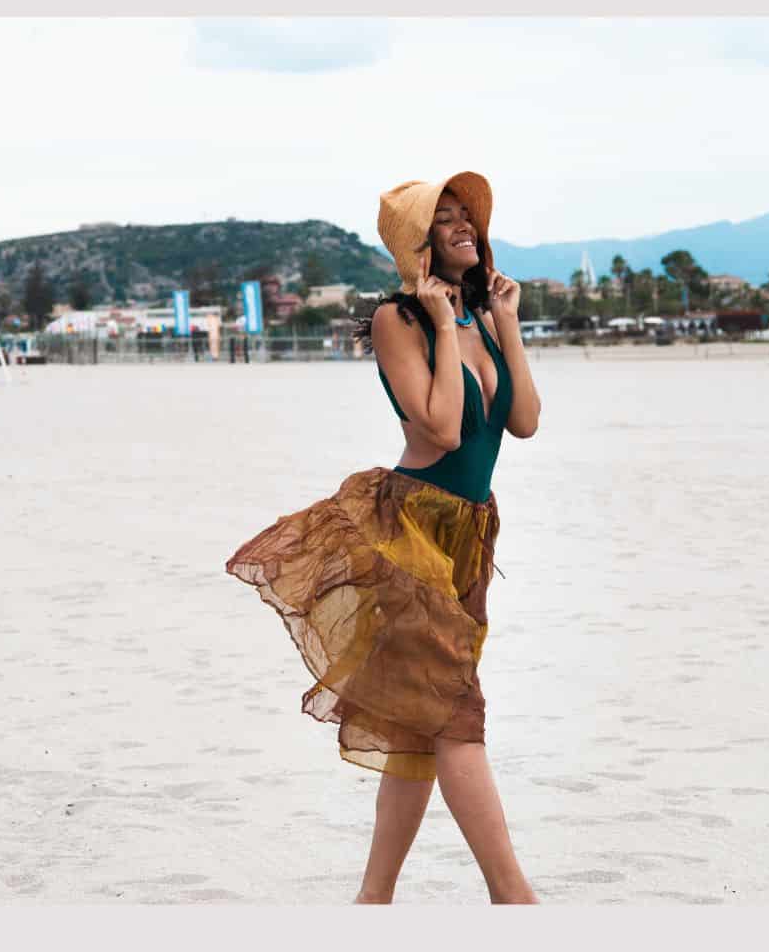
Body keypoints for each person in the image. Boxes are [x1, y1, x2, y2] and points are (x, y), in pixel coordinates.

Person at [225, 171, 542, 904]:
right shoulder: (399, 320)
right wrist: (436, 324)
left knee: (422, 722)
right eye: (446, 219)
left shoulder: (482, 317)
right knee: (458, 716)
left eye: (469, 216)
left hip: (469, 534)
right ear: (418, 243)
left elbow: (521, 421)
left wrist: (508, 325)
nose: (464, 225)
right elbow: (440, 427)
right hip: (408, 531)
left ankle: (373, 902)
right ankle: (513, 898)